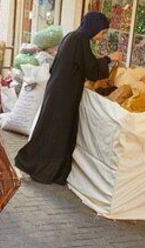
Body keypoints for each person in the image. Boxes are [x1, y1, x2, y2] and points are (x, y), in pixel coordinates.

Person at [15, 12, 122, 185]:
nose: (102, 36)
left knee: (51, 130)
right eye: (102, 32)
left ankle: (44, 170)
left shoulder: (73, 37)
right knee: (56, 132)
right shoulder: (80, 40)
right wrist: (110, 58)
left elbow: (83, 64)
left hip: (59, 91)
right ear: (94, 27)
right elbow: (92, 70)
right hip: (64, 94)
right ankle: (44, 171)